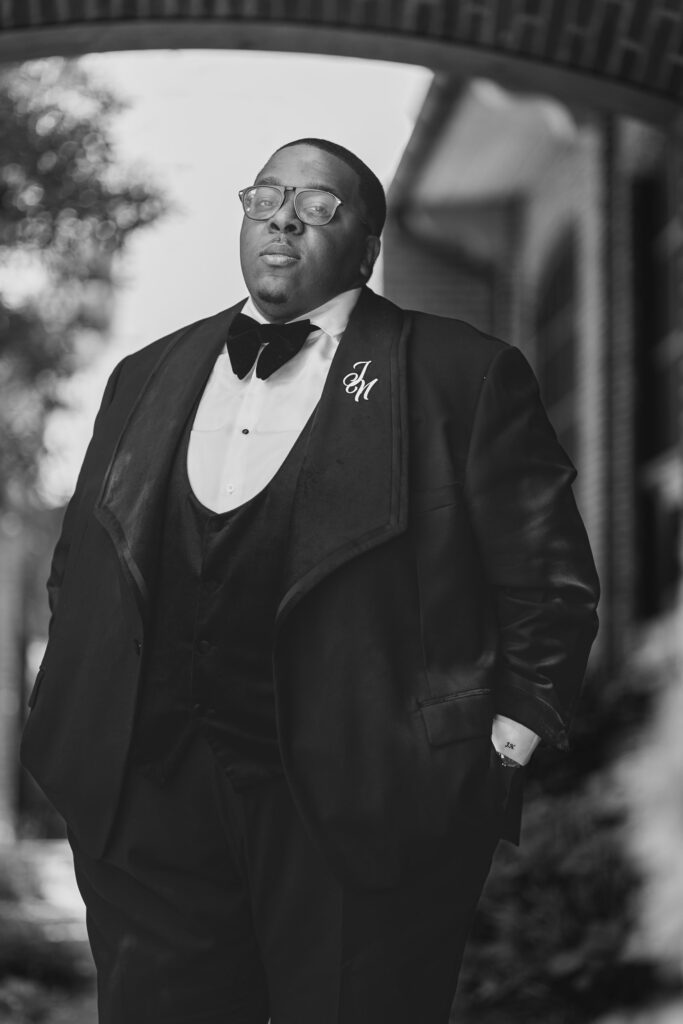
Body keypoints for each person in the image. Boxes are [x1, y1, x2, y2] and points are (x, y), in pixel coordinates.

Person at [21, 138, 600, 1024]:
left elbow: (548, 583)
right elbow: (82, 570)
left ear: (366, 249)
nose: (284, 216)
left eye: (319, 203)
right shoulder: (144, 376)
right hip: (151, 798)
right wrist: (68, 714)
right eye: (264, 197)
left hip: (363, 807)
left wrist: (491, 757)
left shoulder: (460, 374)